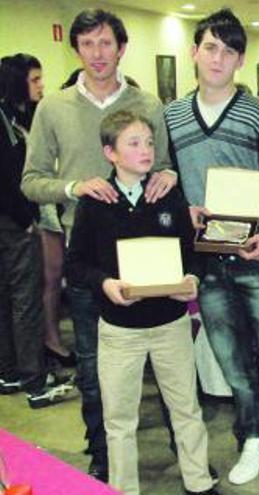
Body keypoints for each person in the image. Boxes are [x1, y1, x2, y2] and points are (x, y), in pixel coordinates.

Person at [20, 8, 177, 481]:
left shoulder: (149, 104)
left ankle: (185, 448)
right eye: (87, 44)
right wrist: (74, 188)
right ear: (76, 50)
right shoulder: (53, 108)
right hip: (89, 258)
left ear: (121, 47)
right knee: (92, 364)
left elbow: (166, 166)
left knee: (168, 364)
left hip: (150, 256)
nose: (98, 53)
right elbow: (31, 181)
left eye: (106, 43)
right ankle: (102, 452)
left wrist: (167, 175)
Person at [164, 9, 259, 493]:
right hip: (207, 265)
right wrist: (183, 210)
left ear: (241, 60)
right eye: (210, 47)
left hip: (258, 258)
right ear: (194, 52)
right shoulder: (172, 116)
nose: (218, 58)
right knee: (234, 366)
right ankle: (252, 437)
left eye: (228, 50)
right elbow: (167, 186)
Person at [66, 110, 216, 495]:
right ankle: (123, 488)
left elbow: (192, 253)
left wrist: (192, 279)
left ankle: (199, 482)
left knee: (186, 408)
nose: (146, 150)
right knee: (119, 419)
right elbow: (76, 264)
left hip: (171, 324)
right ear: (110, 152)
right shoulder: (96, 203)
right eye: (133, 143)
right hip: (120, 330)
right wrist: (105, 283)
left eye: (149, 142)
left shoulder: (168, 195)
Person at [0, 53, 74, 408]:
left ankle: (11, 372)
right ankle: (34, 380)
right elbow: (9, 180)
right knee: (24, 299)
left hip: (14, 220)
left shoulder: (17, 117)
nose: (41, 86)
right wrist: (25, 220)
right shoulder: (5, 122)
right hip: (13, 223)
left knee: (11, 298)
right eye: (35, 79)